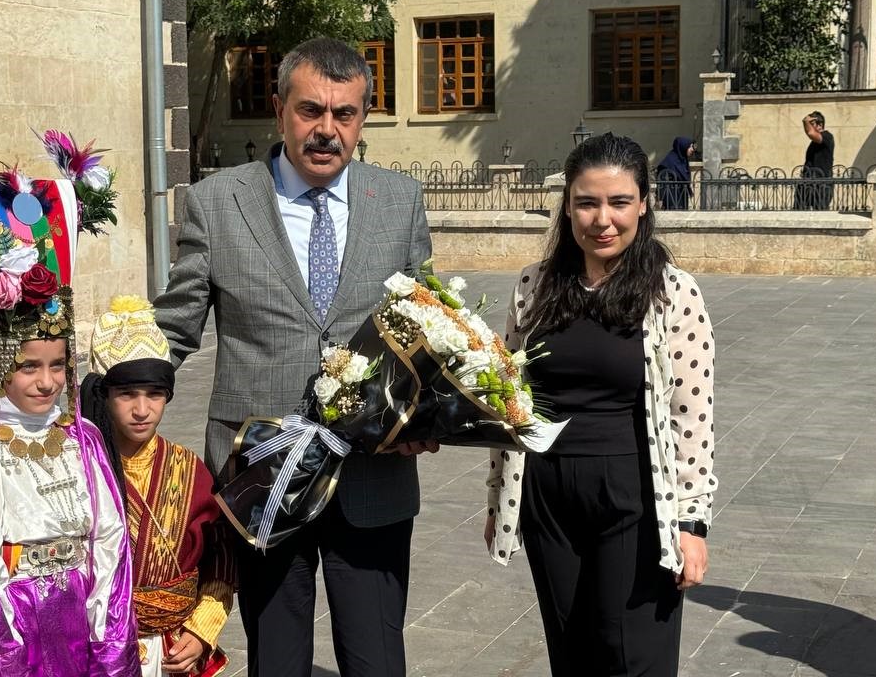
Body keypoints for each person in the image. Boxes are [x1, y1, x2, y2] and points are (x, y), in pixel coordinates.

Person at [154, 36, 436, 677]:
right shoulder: (219, 202)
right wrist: (105, 395)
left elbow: (426, 335)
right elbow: (175, 327)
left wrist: (422, 421)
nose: (327, 130)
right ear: (279, 109)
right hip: (260, 479)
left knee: (376, 660)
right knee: (276, 661)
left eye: (345, 114)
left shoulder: (398, 203)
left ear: (363, 118)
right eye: (311, 110)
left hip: (373, 477)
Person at [484, 133, 717, 676]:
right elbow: (509, 398)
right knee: (572, 653)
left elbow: (693, 417)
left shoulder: (672, 293)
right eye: (587, 202)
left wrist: (693, 524)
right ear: (567, 207)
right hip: (548, 494)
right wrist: (501, 498)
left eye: (618, 202)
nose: (602, 219)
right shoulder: (534, 287)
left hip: (634, 494)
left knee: (633, 656)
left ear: (643, 204)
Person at [0, 127, 137, 676]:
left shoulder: (81, 439)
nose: (47, 382)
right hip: (12, 623)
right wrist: (4, 647)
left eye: (58, 366)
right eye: (28, 367)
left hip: (81, 617)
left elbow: (109, 536)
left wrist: (107, 630)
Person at [80, 295, 235, 677]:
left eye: (154, 394)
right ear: (103, 395)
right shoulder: (83, 470)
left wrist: (201, 632)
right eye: (126, 394)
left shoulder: (190, 470)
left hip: (174, 651)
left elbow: (222, 563)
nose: (141, 410)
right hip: (100, 648)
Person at [793, 111, 835, 210]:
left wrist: (805, 121)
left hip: (822, 184)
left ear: (820, 125)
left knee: (820, 214)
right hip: (807, 183)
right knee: (799, 213)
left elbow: (810, 133)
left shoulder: (827, 136)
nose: (809, 127)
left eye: (812, 124)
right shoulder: (814, 142)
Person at [655, 136, 694, 210]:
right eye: (689, 147)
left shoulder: (683, 160)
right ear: (683, 146)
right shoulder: (669, 161)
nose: (692, 149)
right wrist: (660, 198)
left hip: (682, 196)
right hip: (672, 198)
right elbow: (662, 181)